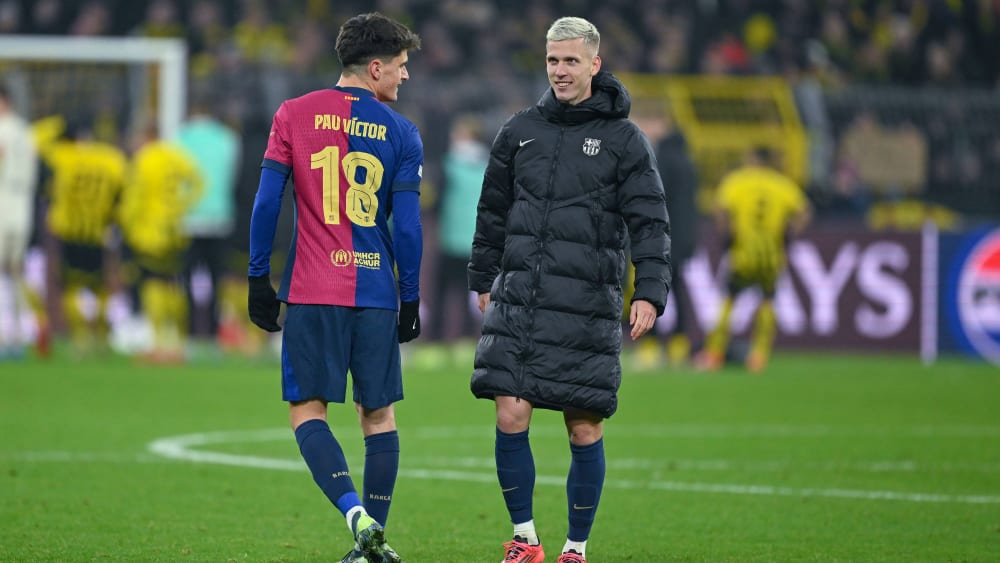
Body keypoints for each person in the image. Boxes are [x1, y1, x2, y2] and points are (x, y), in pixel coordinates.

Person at [468, 17, 671, 563]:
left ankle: (575, 548)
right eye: (553, 60)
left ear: (594, 65)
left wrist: (649, 290)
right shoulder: (519, 131)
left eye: (571, 61)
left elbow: (650, 221)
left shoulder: (624, 140)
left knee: (583, 427)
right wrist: (483, 276)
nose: (560, 70)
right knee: (509, 412)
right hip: (521, 297)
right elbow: (493, 211)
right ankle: (524, 538)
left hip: (585, 302)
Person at [246, 12, 422, 563]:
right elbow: (408, 228)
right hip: (375, 292)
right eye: (400, 66)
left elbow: (266, 203)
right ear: (376, 69)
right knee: (379, 416)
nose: (405, 76)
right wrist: (410, 297)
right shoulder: (402, 133)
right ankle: (374, 539)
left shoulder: (292, 114)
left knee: (307, 411)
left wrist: (258, 276)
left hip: (312, 287)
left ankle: (355, 515)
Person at [694, 146, 811, 373]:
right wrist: (788, 235)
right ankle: (759, 355)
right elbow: (804, 212)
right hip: (771, 255)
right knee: (767, 300)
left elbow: (720, 209)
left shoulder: (737, 181)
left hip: (743, 254)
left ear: (752, 159)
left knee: (729, 298)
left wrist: (727, 235)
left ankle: (714, 353)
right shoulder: (781, 184)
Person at [35, 115, 127, 356]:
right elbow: (122, 186)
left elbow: (36, 139)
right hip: (97, 231)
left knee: (70, 286)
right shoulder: (109, 159)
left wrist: (59, 122)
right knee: (100, 286)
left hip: (70, 230)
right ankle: (102, 333)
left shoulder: (65, 157)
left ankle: (80, 336)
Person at [119, 124, 204, 362]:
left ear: (146, 137)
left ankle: (158, 340)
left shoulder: (143, 160)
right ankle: (176, 339)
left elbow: (134, 198)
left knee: (152, 281)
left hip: (149, 231)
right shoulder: (175, 156)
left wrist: (127, 225)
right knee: (172, 283)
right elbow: (198, 182)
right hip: (175, 230)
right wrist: (183, 206)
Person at [175, 90, 241, 349]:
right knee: (216, 279)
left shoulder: (180, 138)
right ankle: (213, 332)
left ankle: (191, 331)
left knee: (187, 279)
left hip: (188, 217)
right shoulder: (228, 139)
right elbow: (232, 177)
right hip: (219, 217)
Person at [432, 113, 489, 346]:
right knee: (471, 294)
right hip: (476, 240)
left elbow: (435, 200)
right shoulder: (487, 166)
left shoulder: (449, 165)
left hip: (452, 239)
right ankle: (467, 338)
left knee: (443, 291)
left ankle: (438, 338)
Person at [0, 85, 39, 359]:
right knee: (16, 271)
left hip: (2, 203)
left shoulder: (3, 130)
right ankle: (19, 332)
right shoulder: (26, 131)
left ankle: (5, 334)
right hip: (23, 207)